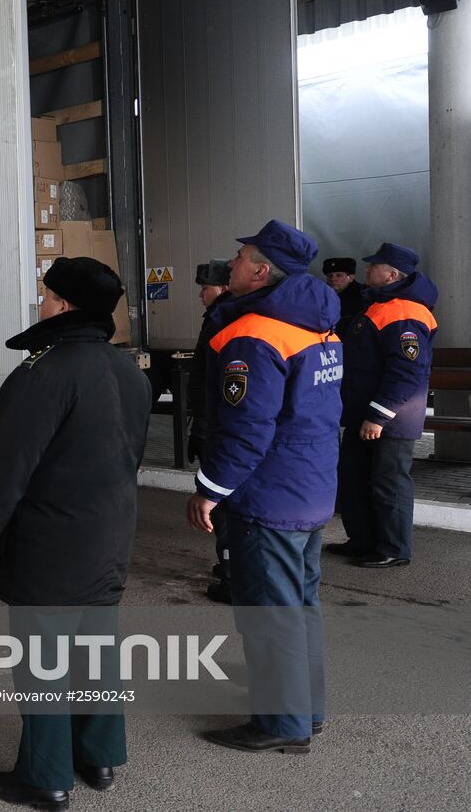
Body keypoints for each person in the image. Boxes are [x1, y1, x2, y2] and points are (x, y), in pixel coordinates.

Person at [0, 256, 151, 811]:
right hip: (110, 538)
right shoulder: (128, 370)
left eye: (46, 295)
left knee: (43, 664)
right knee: (95, 654)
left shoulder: (44, 372)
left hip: (51, 545)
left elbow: (6, 470)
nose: (40, 303)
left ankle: (44, 778)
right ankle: (99, 756)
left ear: (63, 305)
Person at [185, 219, 342, 754]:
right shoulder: (317, 323)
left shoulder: (254, 333)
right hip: (311, 487)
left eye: (240, 256)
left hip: (268, 497)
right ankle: (307, 710)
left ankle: (282, 724)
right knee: (300, 606)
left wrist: (210, 488)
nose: (230, 265)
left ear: (260, 270)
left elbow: (247, 426)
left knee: (269, 615)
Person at [328, 243, 437, 568]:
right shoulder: (381, 304)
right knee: (355, 476)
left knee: (388, 481)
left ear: (391, 274)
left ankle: (393, 547)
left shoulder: (405, 311)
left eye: (373, 266)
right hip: (367, 414)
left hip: (390, 419)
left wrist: (378, 416)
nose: (366, 270)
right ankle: (362, 540)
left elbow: (406, 371)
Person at [187, 260, 232, 603]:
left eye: (205, 288)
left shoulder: (223, 317)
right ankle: (230, 563)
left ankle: (233, 570)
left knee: (226, 508)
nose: (201, 294)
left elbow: (211, 385)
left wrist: (201, 428)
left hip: (217, 428)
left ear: (223, 288)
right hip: (211, 424)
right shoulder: (218, 316)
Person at [323, 257, 365, 339]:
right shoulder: (321, 295)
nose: (333, 279)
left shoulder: (363, 296)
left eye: (339, 275)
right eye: (330, 276)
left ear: (351, 278)